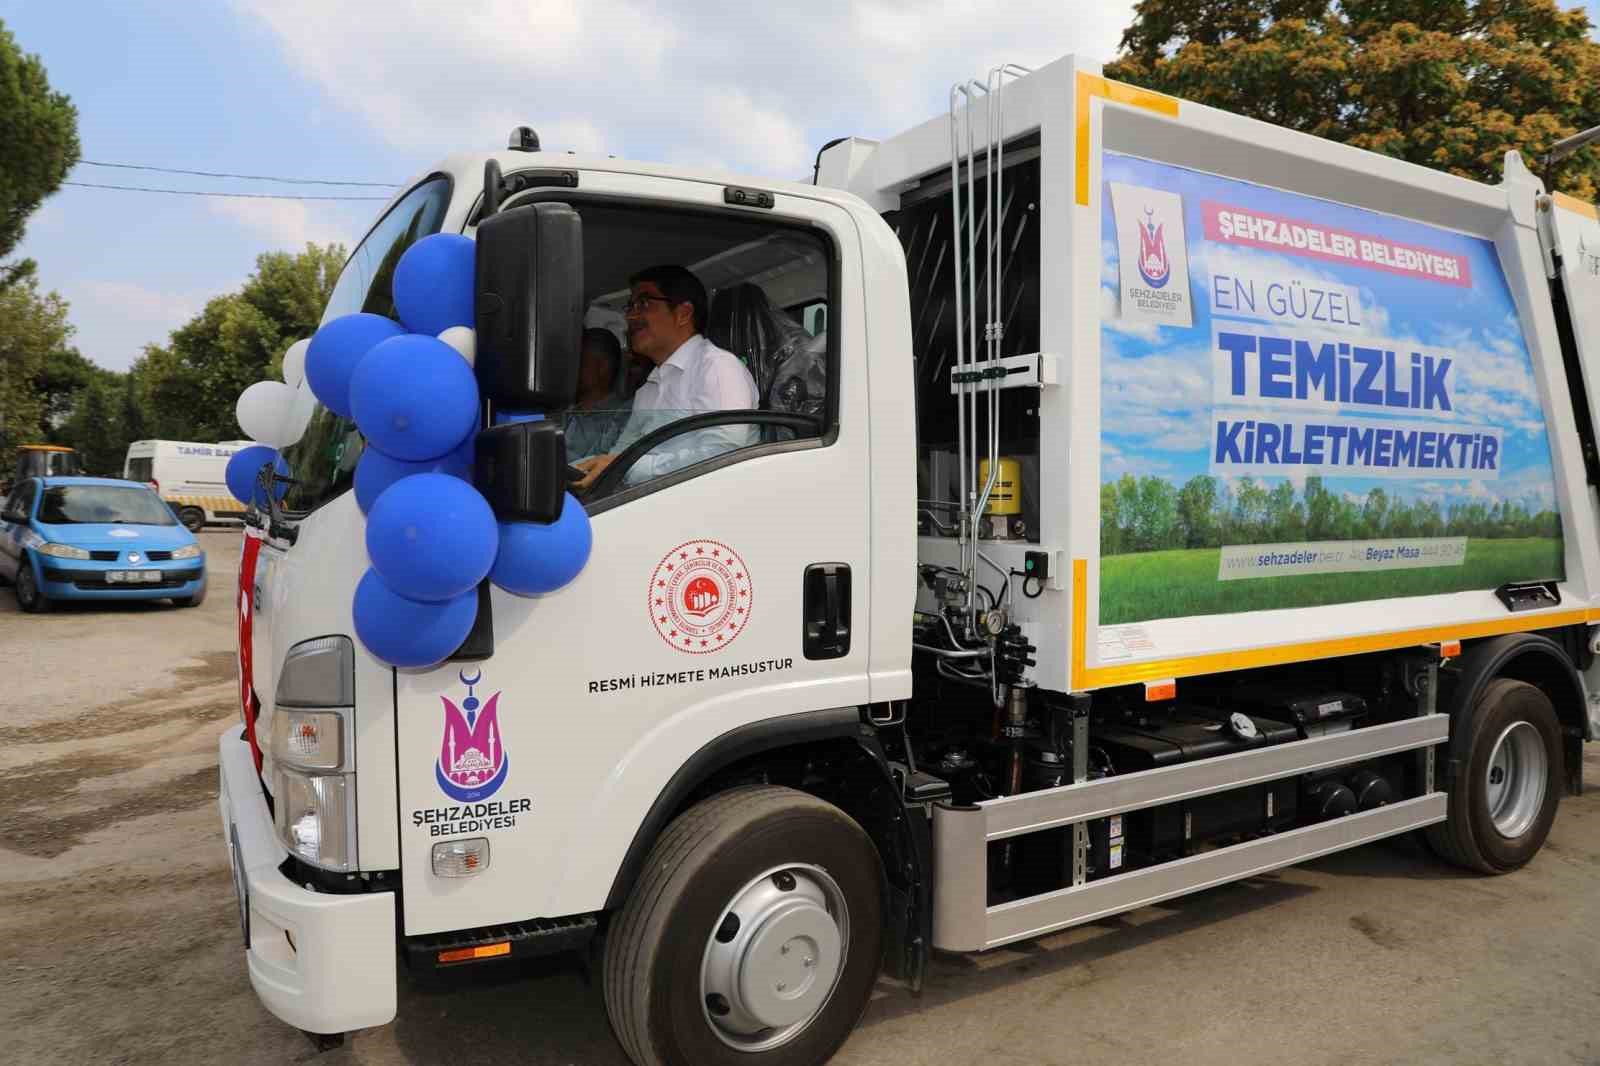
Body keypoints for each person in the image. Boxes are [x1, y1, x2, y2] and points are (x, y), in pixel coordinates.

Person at [573, 265, 758, 490]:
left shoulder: (717, 367)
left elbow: (722, 454)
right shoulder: (649, 388)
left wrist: (626, 467)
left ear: (683, 313)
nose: (631, 316)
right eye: (630, 306)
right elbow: (620, 454)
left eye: (644, 303)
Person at [563, 328, 627, 460]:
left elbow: (593, 469)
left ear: (602, 367)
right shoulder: (565, 410)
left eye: (580, 362)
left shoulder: (620, 418)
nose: (571, 368)